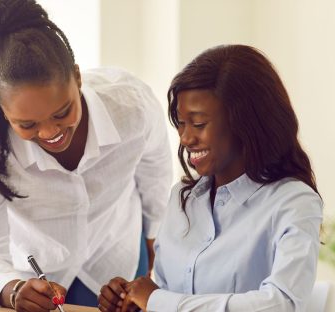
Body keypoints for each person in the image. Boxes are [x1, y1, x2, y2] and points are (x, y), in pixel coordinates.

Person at [0, 0, 173, 311]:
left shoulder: (132, 107)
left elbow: (156, 185)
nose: (48, 132)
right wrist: (13, 291)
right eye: (26, 124)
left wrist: (159, 267)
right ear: (3, 109)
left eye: (62, 111)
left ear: (77, 77)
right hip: (36, 279)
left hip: (118, 263)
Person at [98, 44, 323, 312]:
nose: (185, 138)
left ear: (246, 121)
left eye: (199, 123)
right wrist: (133, 299)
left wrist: (158, 301)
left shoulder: (294, 202)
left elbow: (281, 303)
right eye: (181, 122)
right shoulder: (181, 198)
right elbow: (167, 296)